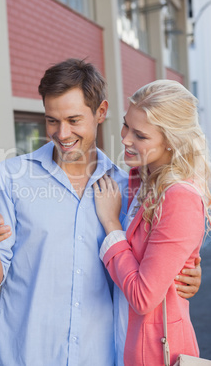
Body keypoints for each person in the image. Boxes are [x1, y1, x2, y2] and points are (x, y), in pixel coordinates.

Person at [0, 60, 201, 366]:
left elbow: (149, 271)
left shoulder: (130, 186)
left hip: (100, 356)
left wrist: (185, 277)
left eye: (73, 120)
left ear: (101, 112)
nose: (61, 133)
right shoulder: (13, 177)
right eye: (52, 120)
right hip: (23, 355)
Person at [93, 79, 211, 365]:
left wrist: (111, 225)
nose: (125, 139)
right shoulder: (140, 180)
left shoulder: (180, 197)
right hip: (121, 342)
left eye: (140, 135)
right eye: (125, 125)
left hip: (154, 355)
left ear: (171, 141)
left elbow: (144, 297)